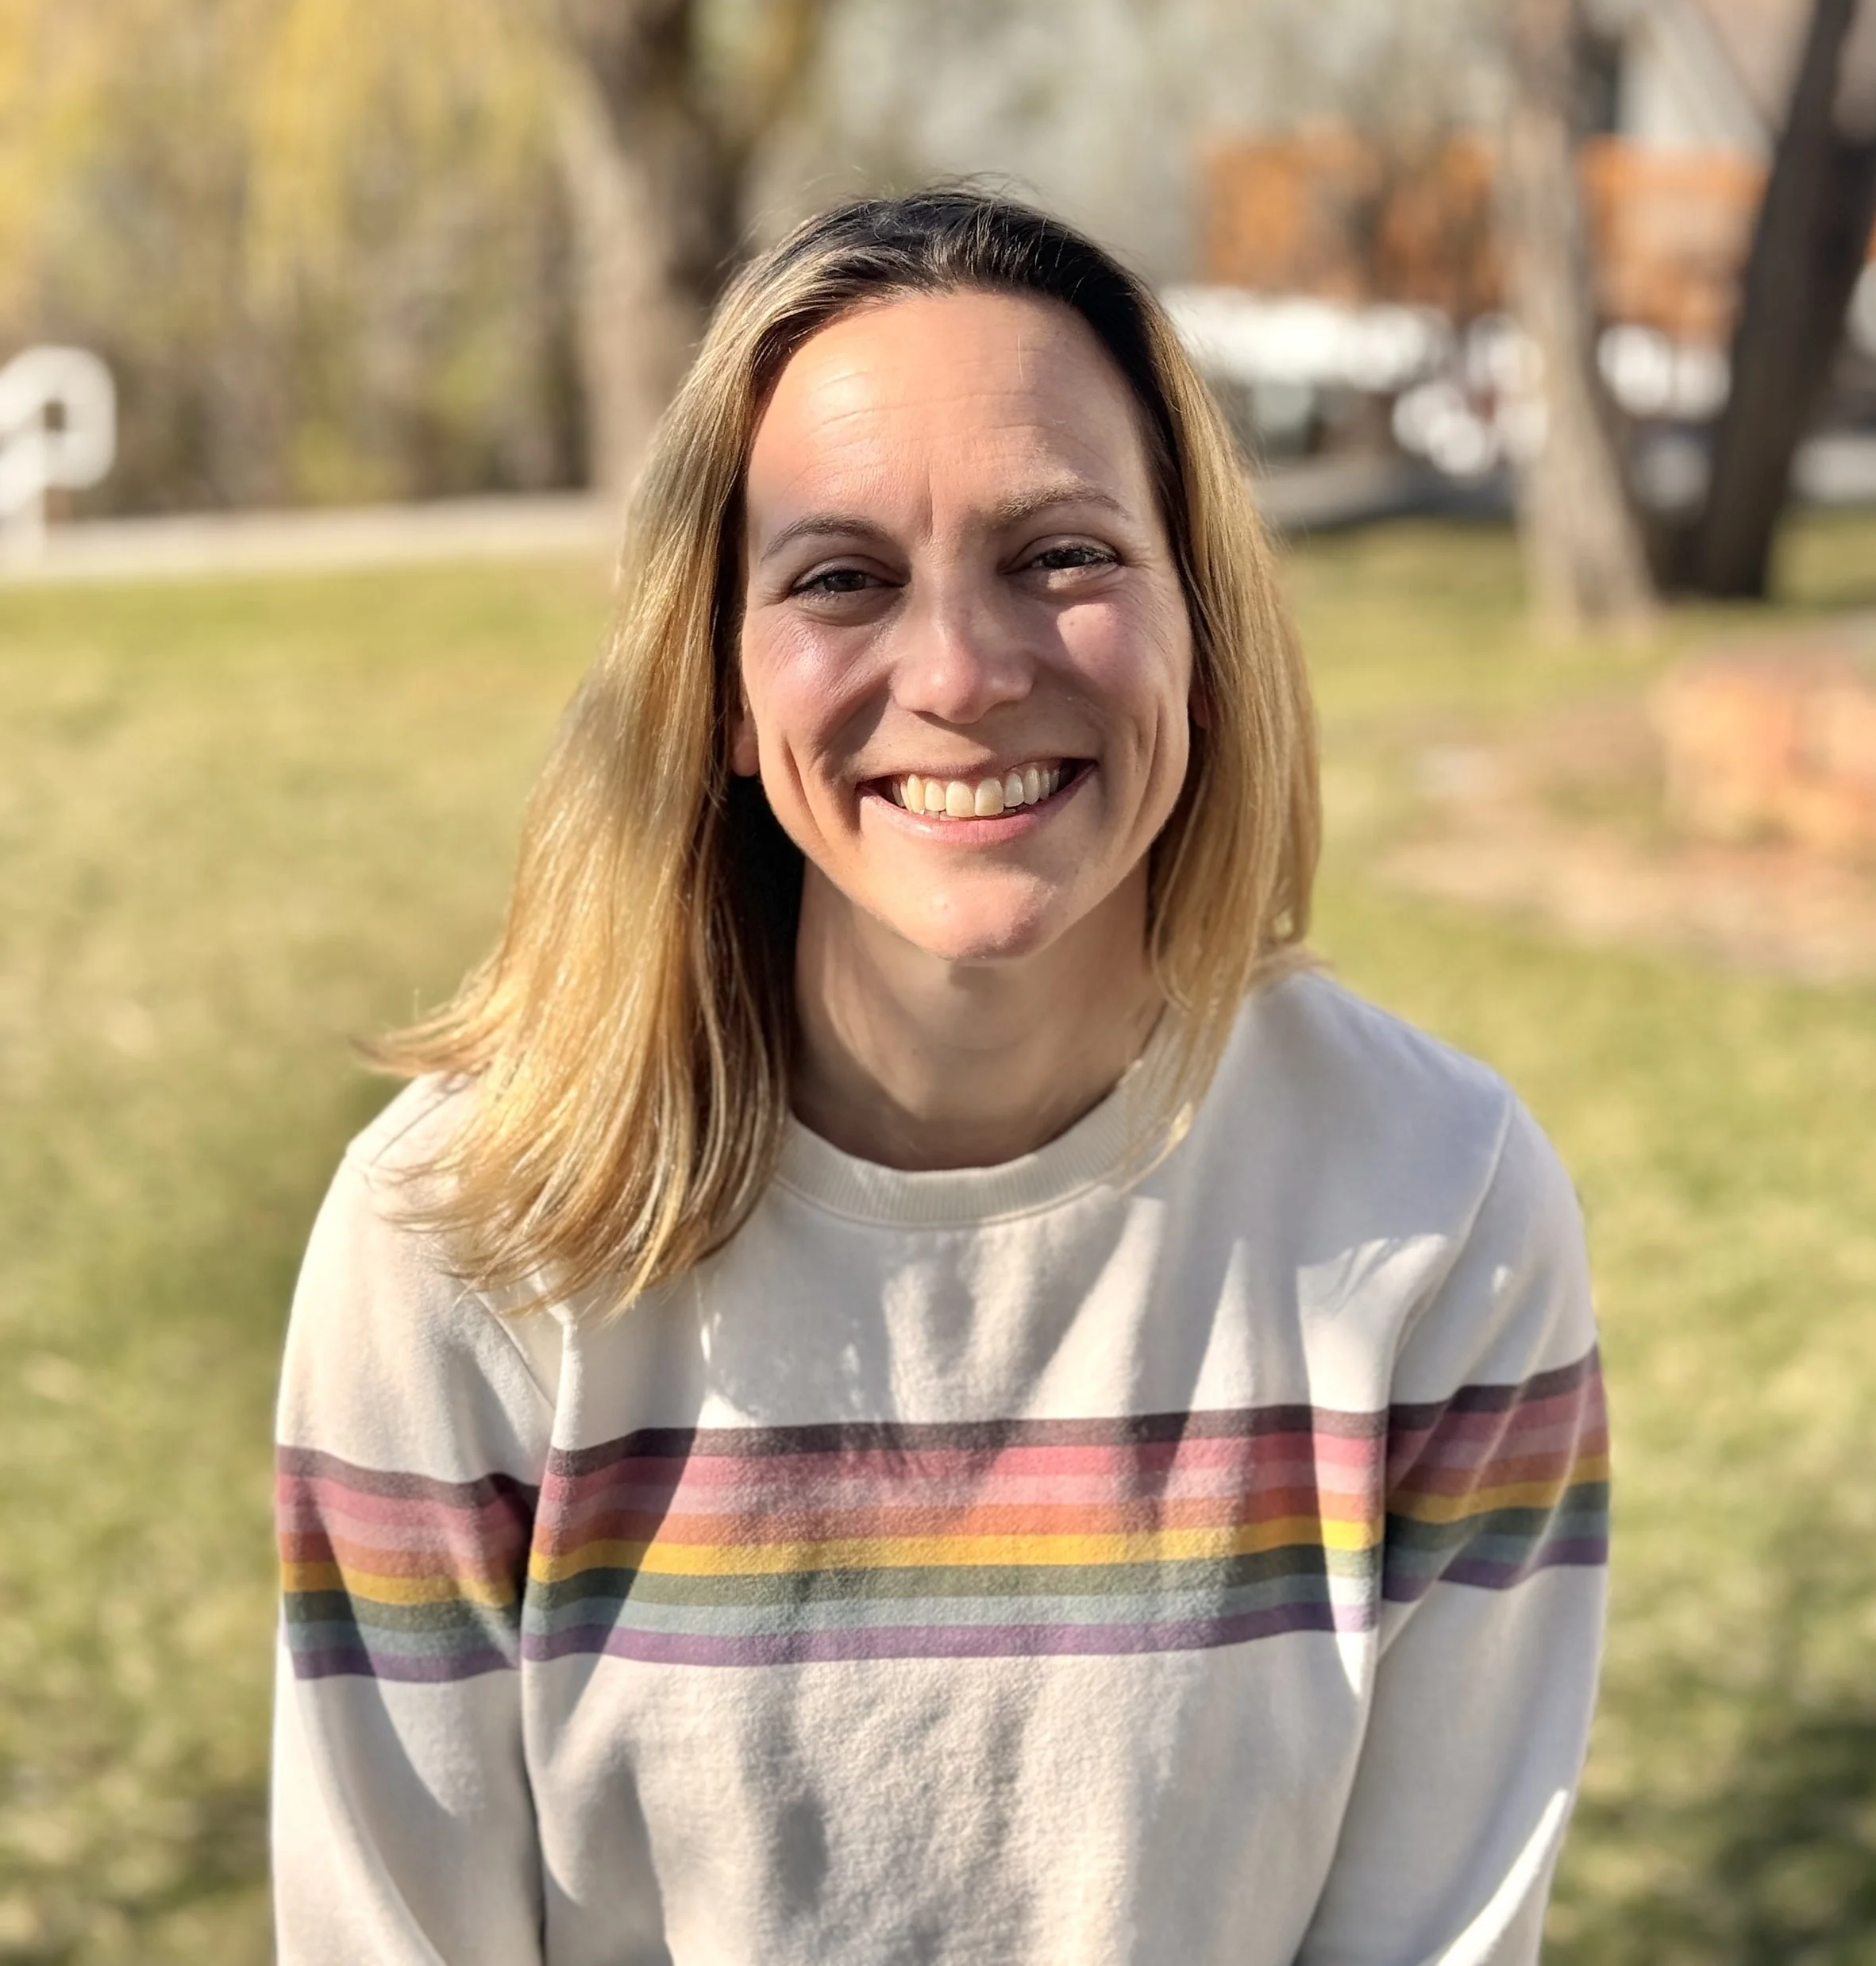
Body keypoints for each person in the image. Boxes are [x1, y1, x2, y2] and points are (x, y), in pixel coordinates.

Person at [272, 191, 1608, 1964]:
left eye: (1061, 554)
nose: (964, 674)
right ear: (721, 688)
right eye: (840, 578)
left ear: (1203, 631)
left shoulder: (1437, 1210)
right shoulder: (466, 1233)